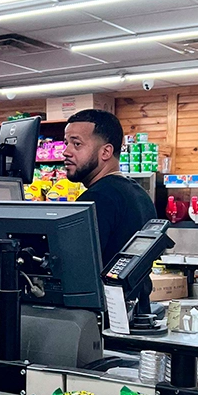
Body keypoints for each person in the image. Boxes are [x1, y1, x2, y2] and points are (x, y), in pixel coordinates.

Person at [64, 108, 157, 309]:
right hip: (135, 315)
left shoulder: (95, 200)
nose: (66, 151)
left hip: (100, 324)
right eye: (66, 143)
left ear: (105, 152)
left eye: (76, 144)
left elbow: (73, 271)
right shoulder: (139, 194)